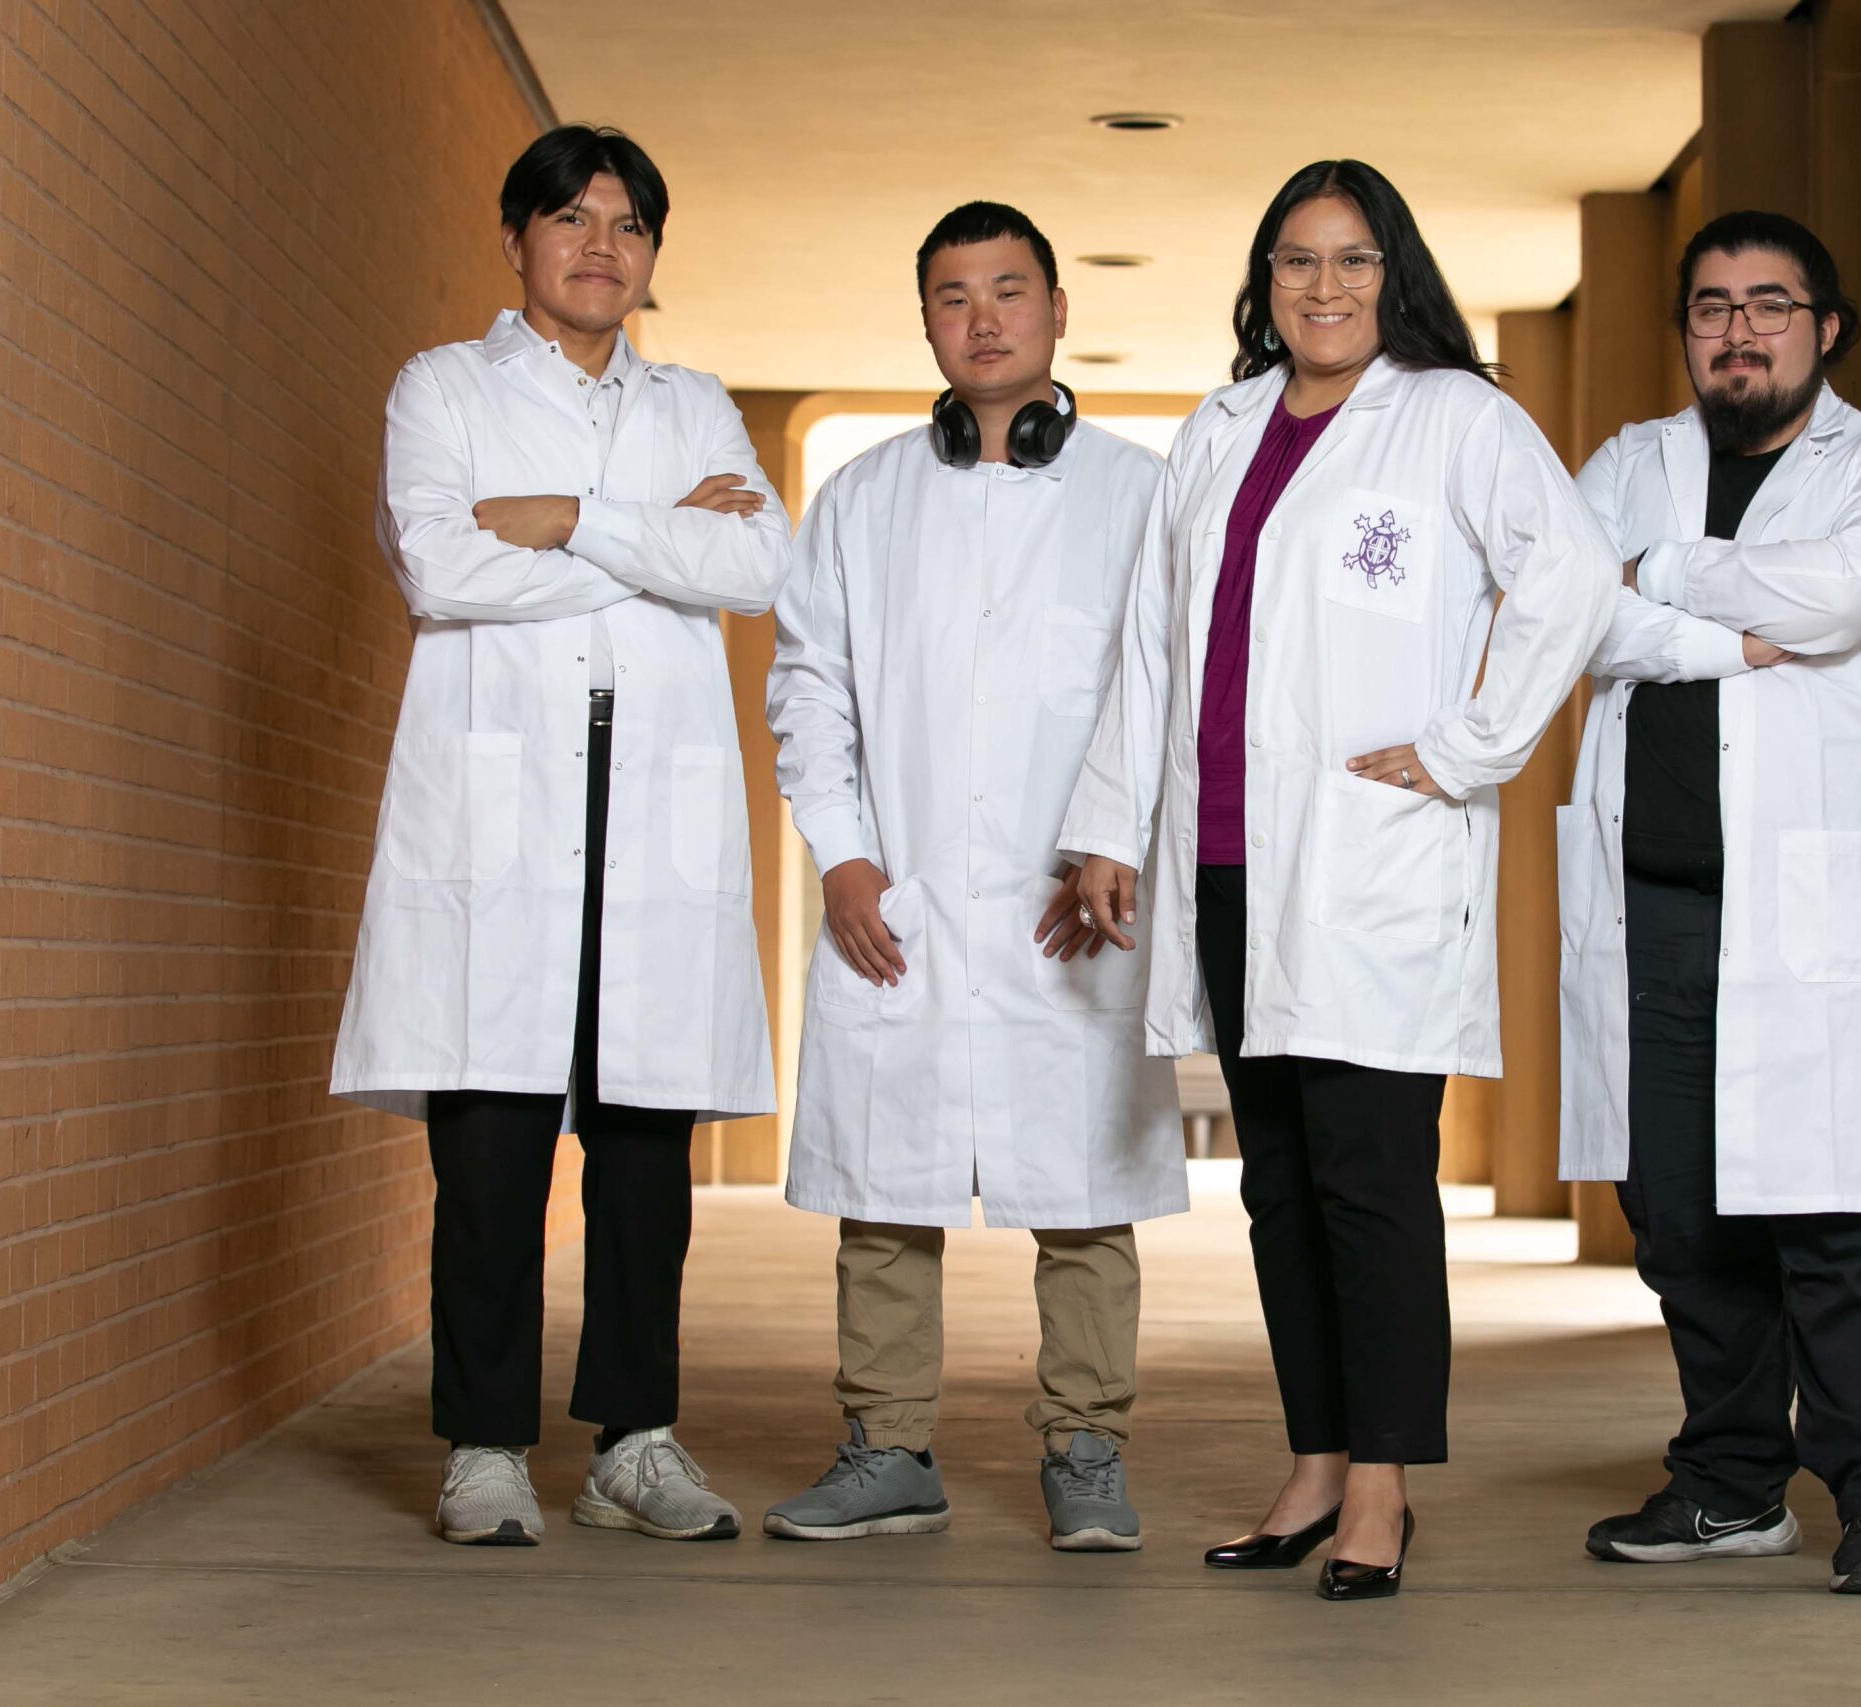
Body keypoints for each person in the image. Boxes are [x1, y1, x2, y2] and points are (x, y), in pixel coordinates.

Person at [1063, 159, 1713, 1603]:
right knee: (1280, 1186)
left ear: (1394, 273)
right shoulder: (1220, 428)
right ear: (1265, 281)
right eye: (1297, 261)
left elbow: (1573, 576)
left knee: (1370, 1181)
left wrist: (1468, 745)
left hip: (1363, 860)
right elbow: (1151, 648)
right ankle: (1310, 1463)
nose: (1324, 287)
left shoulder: (1456, 418)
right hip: (1227, 857)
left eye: (1353, 260)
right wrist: (1114, 822)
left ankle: (1381, 1488)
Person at [330, 125, 793, 1547]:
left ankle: (635, 1444)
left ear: (654, 253)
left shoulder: (697, 404)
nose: (602, 246)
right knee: (492, 1148)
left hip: (649, 813)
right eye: (573, 218)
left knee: (646, 1152)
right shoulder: (444, 387)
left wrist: (568, 519)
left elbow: (755, 560)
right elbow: (438, 564)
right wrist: (651, 542)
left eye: (628, 225)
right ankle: (483, 1447)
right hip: (504, 808)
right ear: (518, 236)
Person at [760, 202, 1184, 1553]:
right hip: (910, 896)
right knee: (888, 1190)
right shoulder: (865, 497)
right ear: (927, 323)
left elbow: (1162, 682)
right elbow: (807, 684)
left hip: (1076, 892)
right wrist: (842, 852)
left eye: (1010, 290)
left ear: (1061, 312)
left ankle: (1088, 1450)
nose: (984, 317)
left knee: (1083, 1192)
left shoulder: (1140, 493)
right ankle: (888, 1446)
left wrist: (1115, 831)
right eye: (955, 296)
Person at [1559, 209, 1861, 1595]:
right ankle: (1730, 1488)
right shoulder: (1629, 463)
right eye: (1713, 306)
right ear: (1687, 333)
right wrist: (1739, 625)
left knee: (1848, 1221)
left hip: (1823, 909)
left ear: (1825, 328)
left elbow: (1848, 599)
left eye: (1770, 303)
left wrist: (1658, 582)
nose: (1739, 329)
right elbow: (1563, 613)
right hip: (1661, 901)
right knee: (1685, 1214)